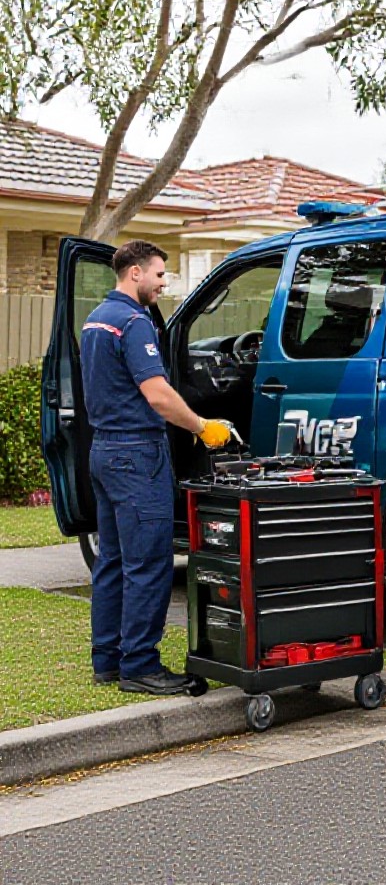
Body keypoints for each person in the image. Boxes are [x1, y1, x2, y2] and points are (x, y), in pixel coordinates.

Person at [81, 240, 233, 696]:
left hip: (104, 452)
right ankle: (141, 665)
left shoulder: (95, 320)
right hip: (135, 456)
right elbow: (158, 395)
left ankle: (107, 659)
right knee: (148, 562)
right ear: (134, 274)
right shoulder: (132, 322)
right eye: (160, 274)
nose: (163, 283)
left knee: (112, 560)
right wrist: (202, 425)